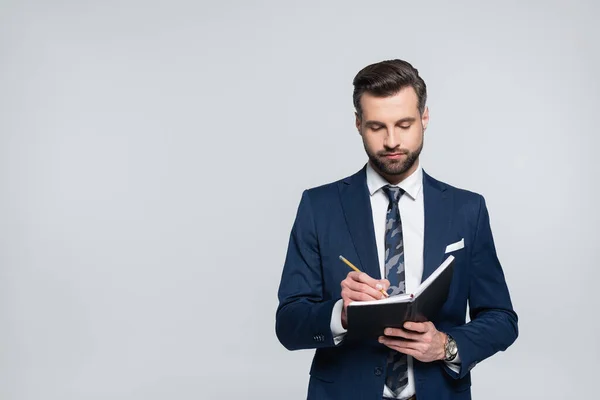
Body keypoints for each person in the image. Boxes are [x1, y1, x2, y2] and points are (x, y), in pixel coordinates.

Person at [275, 59, 518, 400]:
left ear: (425, 118)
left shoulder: (467, 209)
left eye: (404, 124)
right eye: (377, 127)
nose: (391, 141)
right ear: (359, 124)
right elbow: (288, 324)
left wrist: (446, 346)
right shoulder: (319, 206)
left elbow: (501, 318)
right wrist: (340, 314)